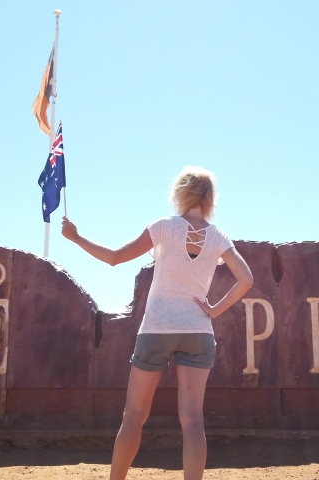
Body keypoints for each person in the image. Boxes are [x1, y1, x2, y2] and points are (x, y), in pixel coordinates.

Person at [61, 166, 254, 480]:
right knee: (192, 420)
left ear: (181, 193)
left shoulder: (164, 227)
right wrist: (214, 310)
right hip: (198, 332)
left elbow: (113, 258)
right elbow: (246, 279)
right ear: (209, 199)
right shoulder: (219, 237)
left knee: (134, 416)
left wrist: (76, 237)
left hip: (156, 330)